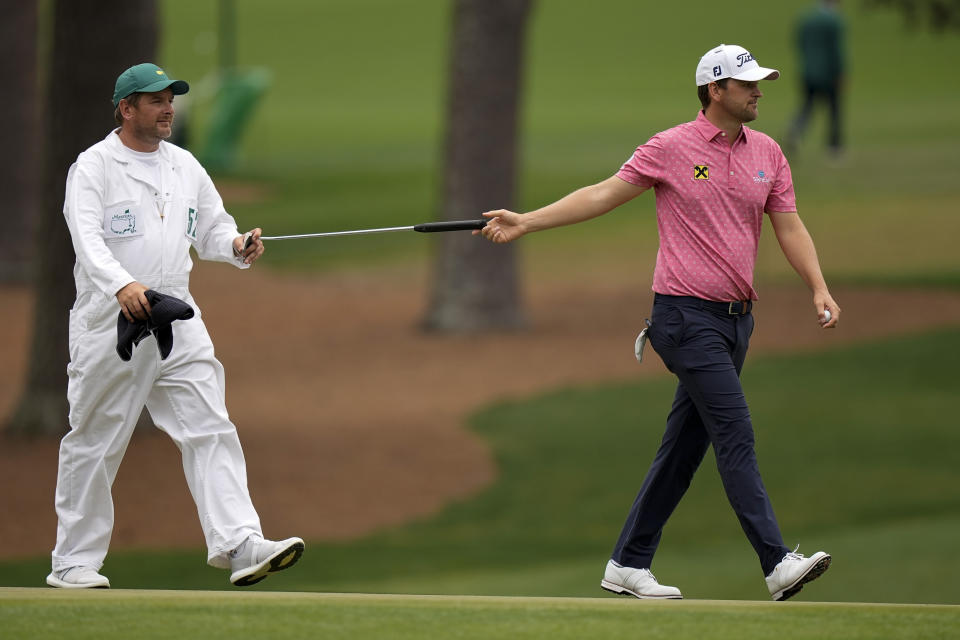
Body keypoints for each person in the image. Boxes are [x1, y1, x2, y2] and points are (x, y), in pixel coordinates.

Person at [477, 44, 839, 601]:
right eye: (747, 84)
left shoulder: (768, 151)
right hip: (682, 318)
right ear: (715, 90)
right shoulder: (671, 148)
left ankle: (627, 563)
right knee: (734, 430)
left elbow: (789, 226)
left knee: (685, 447)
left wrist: (818, 287)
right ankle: (776, 563)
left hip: (737, 323)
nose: (758, 90)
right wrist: (526, 222)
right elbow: (603, 194)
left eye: (758, 82)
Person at [48, 63, 304, 589]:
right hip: (110, 323)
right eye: (155, 100)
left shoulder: (185, 165)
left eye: (170, 98)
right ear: (126, 108)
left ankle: (239, 543)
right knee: (96, 441)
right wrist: (122, 285)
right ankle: (73, 562)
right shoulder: (93, 167)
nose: (168, 108)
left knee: (210, 425)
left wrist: (236, 247)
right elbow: (87, 240)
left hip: (179, 316)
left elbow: (212, 228)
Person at [785, 0, 846, 156]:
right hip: (828, 72)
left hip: (808, 71)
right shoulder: (834, 21)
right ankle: (834, 145)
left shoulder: (807, 19)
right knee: (834, 108)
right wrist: (840, 72)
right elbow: (836, 50)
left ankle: (795, 132)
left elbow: (799, 44)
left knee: (807, 106)